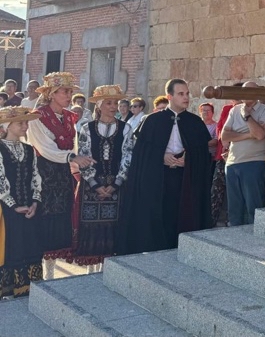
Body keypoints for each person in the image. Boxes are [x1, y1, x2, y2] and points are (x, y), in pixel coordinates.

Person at [116, 79, 213, 255]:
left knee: (183, 214)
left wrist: (188, 159)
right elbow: (141, 154)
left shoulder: (195, 122)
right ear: (169, 96)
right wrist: (160, 157)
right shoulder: (152, 121)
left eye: (187, 93)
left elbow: (203, 154)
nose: (186, 97)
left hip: (185, 178)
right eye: (181, 94)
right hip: (159, 177)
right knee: (159, 214)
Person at [24, 73, 94, 271]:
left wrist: (78, 161)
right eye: (65, 91)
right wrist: (73, 158)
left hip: (62, 174)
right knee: (45, 218)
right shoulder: (38, 117)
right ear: (52, 94)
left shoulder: (68, 117)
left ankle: (52, 268)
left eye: (71, 91)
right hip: (43, 174)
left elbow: (72, 146)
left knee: (62, 217)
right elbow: (45, 149)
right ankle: (40, 269)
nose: (69, 95)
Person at [74, 85, 131, 267]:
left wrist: (117, 182)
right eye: (108, 103)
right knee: (91, 224)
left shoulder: (126, 128)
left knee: (113, 223)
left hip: (116, 184)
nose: (113, 106)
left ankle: (109, 266)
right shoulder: (87, 128)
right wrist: (94, 183)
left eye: (115, 103)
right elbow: (84, 155)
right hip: (92, 185)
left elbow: (128, 156)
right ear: (99, 105)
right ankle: (91, 266)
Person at [0, 107, 43, 298]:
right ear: (8, 126)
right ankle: (8, 288)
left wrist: (35, 202)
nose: (26, 126)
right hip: (6, 209)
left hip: (29, 208)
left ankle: (28, 287)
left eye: (26, 122)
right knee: (11, 246)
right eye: (21, 123)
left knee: (30, 244)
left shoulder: (29, 149)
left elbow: (35, 177)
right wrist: (13, 205)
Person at [220, 82, 265, 226]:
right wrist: (248, 135)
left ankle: (254, 245)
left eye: (250, 90)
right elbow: (224, 136)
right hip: (232, 164)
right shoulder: (234, 110)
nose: (246, 93)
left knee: (253, 209)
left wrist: (247, 116)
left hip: (254, 163)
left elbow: (260, 134)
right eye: (244, 91)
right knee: (234, 210)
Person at [212, 83, 243, 226]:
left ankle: (232, 220)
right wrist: (224, 142)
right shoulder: (227, 109)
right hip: (223, 154)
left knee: (234, 190)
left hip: (239, 154)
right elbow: (220, 128)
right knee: (217, 187)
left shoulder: (248, 110)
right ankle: (214, 219)